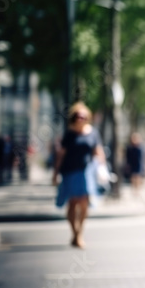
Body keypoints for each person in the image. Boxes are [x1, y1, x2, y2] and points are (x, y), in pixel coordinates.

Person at [52, 102, 105, 248]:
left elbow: (98, 152)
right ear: (73, 118)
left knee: (84, 202)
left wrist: (102, 168)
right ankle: (74, 233)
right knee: (73, 203)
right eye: (77, 116)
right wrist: (55, 173)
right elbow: (60, 155)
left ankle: (79, 233)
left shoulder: (93, 133)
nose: (80, 119)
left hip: (86, 173)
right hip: (70, 172)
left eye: (83, 116)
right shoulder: (69, 134)